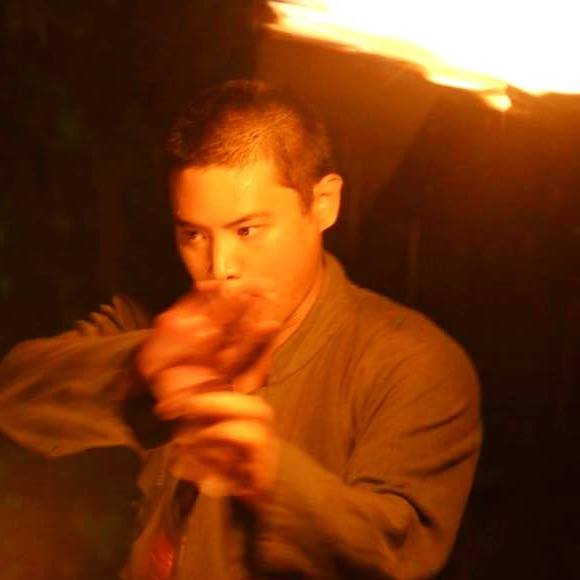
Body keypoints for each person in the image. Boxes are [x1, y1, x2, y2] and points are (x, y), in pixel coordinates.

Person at [0, 80, 482, 579]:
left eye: (247, 230)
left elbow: (398, 555)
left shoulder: (412, 364)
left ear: (323, 203)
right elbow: (14, 397)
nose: (219, 268)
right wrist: (139, 368)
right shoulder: (161, 320)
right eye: (193, 234)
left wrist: (270, 477)